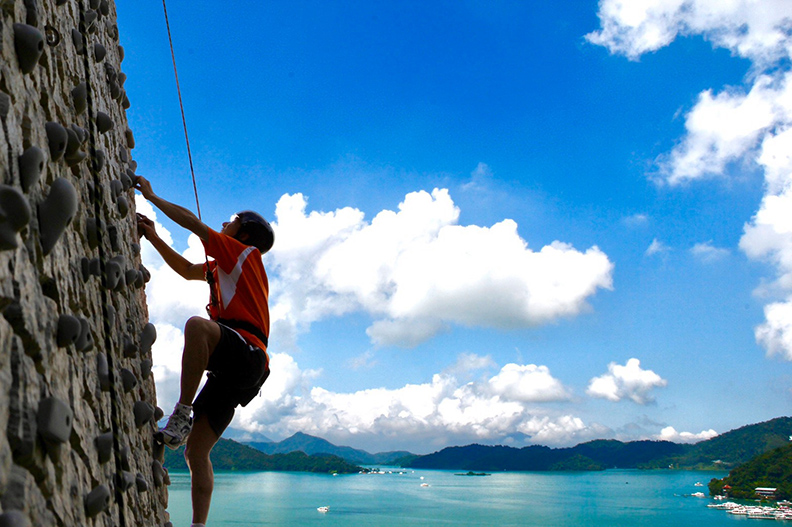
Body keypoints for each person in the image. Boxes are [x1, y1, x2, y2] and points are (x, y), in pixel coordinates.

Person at [134, 176, 273, 527]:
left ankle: (182, 412)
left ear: (243, 234)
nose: (225, 223)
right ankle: (199, 525)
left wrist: (151, 195)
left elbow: (194, 224)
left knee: (197, 326)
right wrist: (152, 236)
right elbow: (184, 270)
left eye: (233, 221)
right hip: (241, 369)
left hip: (246, 352)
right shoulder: (225, 265)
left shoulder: (245, 253)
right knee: (197, 453)